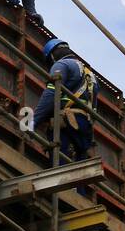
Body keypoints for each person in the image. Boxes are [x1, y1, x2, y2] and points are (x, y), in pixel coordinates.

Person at [33, 38, 97, 168]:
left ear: (52, 55)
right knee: (79, 170)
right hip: (85, 126)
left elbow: (52, 93)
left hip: (67, 123)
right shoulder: (90, 75)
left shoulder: (62, 65)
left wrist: (33, 121)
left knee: (62, 166)